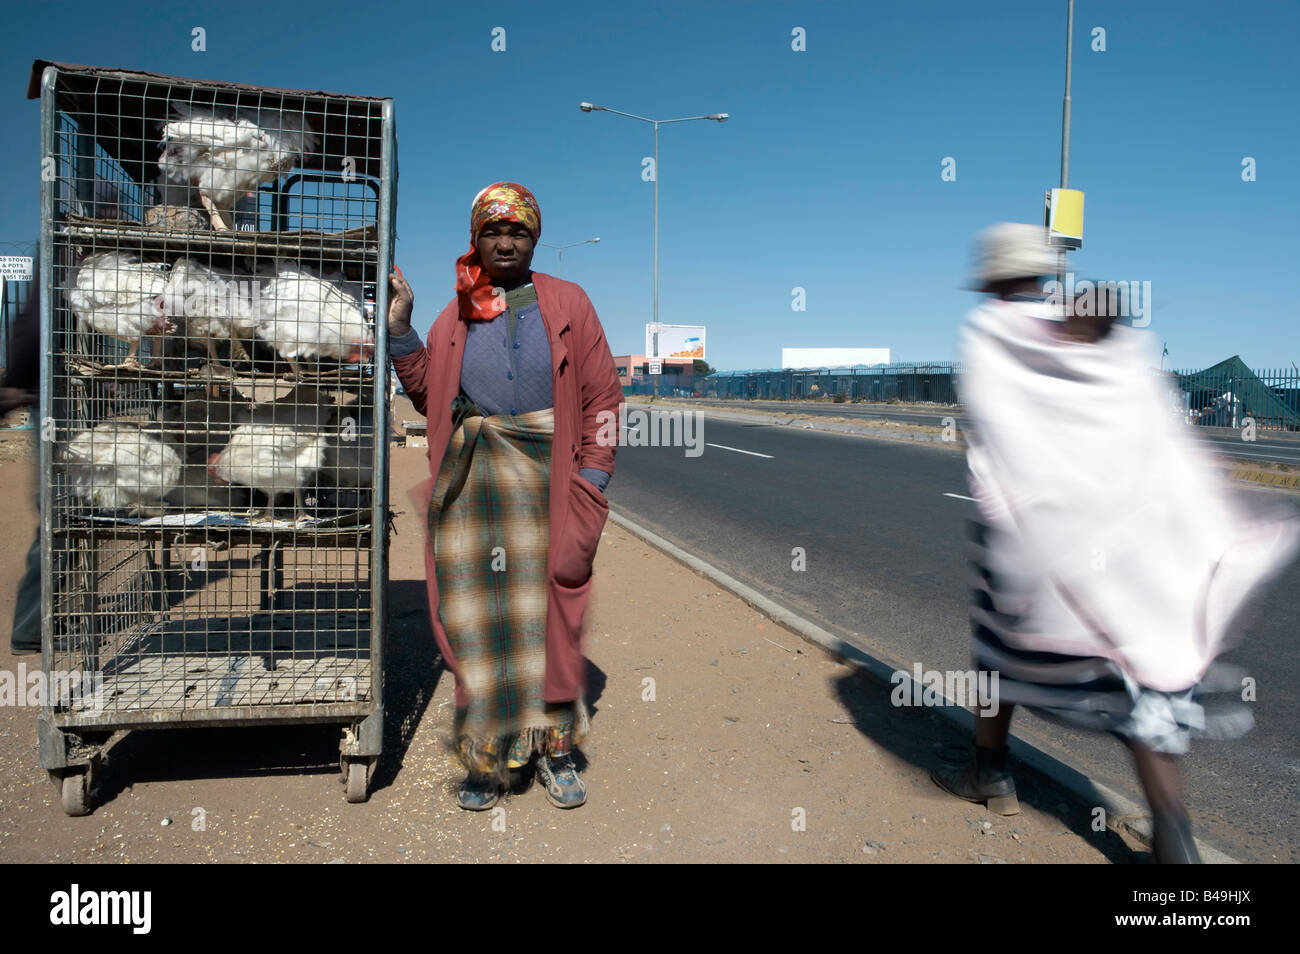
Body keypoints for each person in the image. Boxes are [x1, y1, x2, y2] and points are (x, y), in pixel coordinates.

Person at [931, 223, 1299, 863]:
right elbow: (1143, 417)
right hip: (1126, 540)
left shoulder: (990, 330)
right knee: (1138, 672)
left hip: (1032, 533)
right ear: (1041, 273)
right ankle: (1173, 838)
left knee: (996, 653)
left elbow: (998, 427)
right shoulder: (1103, 341)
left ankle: (989, 771)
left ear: (992, 276)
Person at [386, 182, 623, 811]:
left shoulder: (569, 302)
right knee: (478, 618)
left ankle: (555, 751)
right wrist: (402, 332)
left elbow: (602, 399)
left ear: (534, 237)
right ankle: (488, 759)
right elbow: (427, 394)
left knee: (552, 621)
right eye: (493, 232)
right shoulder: (456, 313)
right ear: (477, 239)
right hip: (477, 477)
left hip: (554, 474)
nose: (506, 241)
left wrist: (592, 480)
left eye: (517, 231)